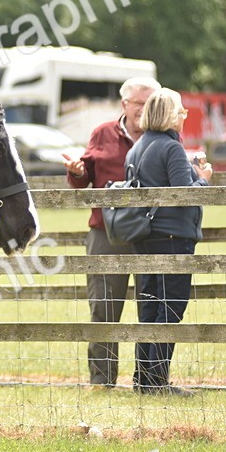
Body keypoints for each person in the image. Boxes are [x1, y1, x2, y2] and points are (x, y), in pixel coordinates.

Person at [63, 77, 161, 388]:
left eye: (150, 104)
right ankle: (102, 381)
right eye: (138, 104)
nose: (143, 110)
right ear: (124, 105)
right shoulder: (103, 133)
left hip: (151, 233)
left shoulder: (163, 135)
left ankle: (150, 379)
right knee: (103, 308)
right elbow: (84, 178)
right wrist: (77, 171)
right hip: (106, 233)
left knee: (154, 308)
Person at [125, 88, 212, 396]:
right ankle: (158, 381)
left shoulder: (136, 148)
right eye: (181, 112)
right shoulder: (171, 148)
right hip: (172, 239)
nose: (184, 117)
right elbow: (184, 195)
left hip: (145, 237)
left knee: (148, 307)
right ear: (172, 116)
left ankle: (144, 379)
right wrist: (203, 178)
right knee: (170, 308)